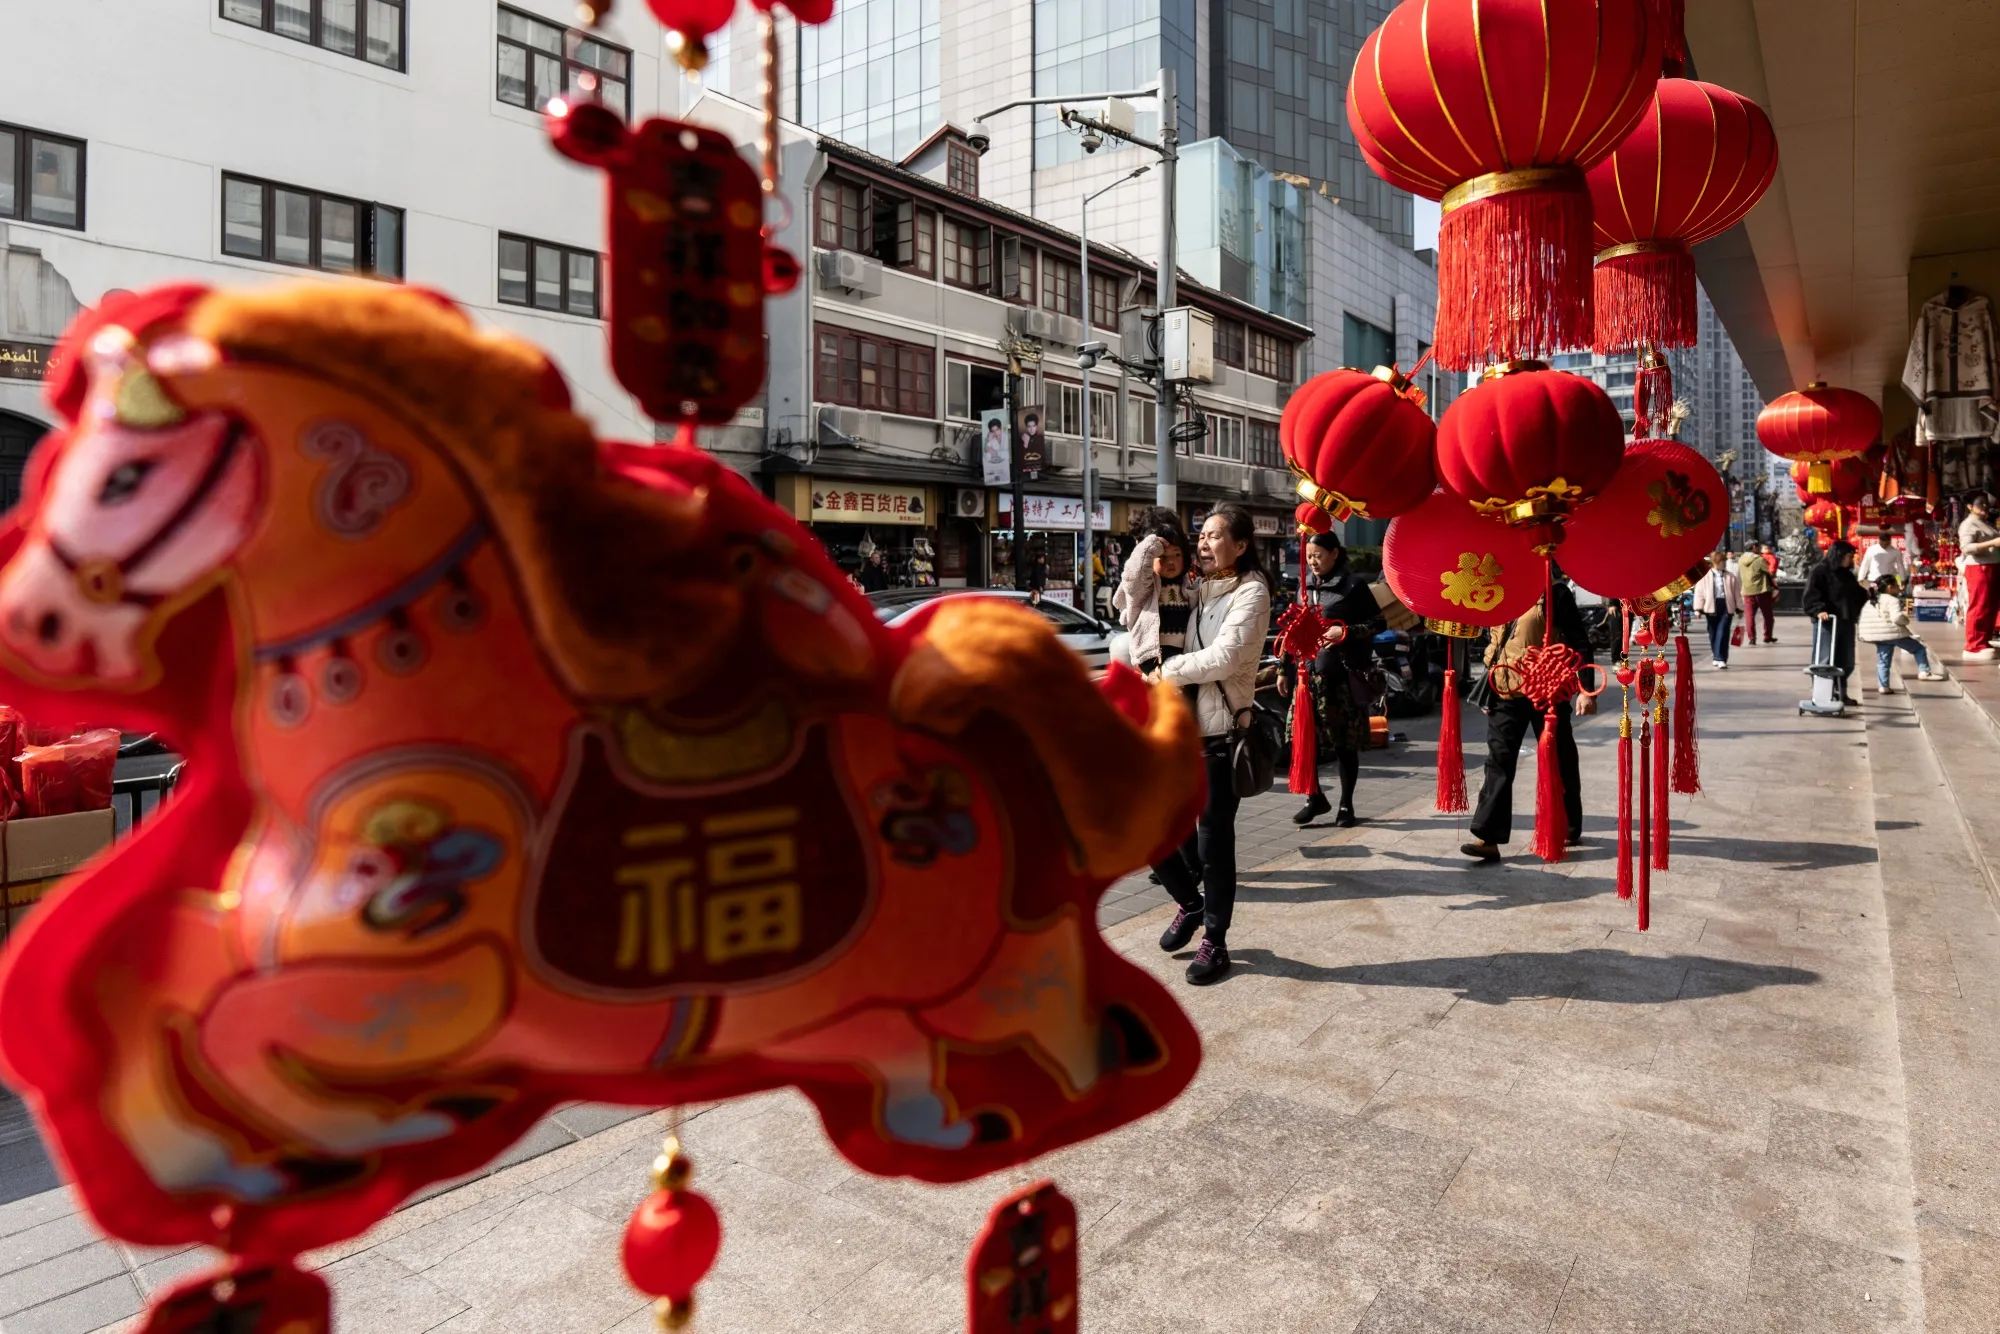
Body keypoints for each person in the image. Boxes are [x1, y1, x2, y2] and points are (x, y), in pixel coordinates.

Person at [1150, 503, 1273, 985]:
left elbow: (1224, 658)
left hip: (1220, 738)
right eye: (1201, 535)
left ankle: (1215, 940)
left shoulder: (1252, 592)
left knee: (1213, 846)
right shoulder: (1196, 588)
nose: (1203, 543)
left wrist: (1167, 671)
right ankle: (1190, 903)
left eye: (1214, 536)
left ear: (1240, 545)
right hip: (1177, 734)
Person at [1461, 569, 1593, 863]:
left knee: (1560, 758)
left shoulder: (1555, 592)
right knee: (1498, 762)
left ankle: (1569, 824)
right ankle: (1488, 837)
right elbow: (1496, 643)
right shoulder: (1496, 590)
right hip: (1505, 692)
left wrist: (1586, 689)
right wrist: (1490, 687)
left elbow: (1580, 643)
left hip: (1547, 691)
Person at [1280, 531, 1384, 828]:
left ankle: (1346, 805)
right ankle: (1315, 798)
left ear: (1335, 554)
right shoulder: (1305, 585)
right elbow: (1294, 630)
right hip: (1307, 677)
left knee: (1343, 745)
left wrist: (1346, 632)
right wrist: (1282, 668)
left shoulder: (1353, 586)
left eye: (1318, 556)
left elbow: (1378, 623)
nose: (1313, 561)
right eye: (1309, 556)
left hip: (1339, 679)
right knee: (1300, 740)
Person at [1803, 540, 1867, 703]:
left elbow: (1856, 594)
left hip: (1846, 621)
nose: (1850, 560)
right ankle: (1822, 694)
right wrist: (1818, 610)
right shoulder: (1820, 571)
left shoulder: (1846, 574)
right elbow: (1811, 594)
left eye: (1852, 557)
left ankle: (1841, 692)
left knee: (1847, 660)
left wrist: (1870, 594)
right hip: (1827, 622)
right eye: (1848, 556)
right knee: (1824, 660)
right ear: (1838, 555)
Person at [1857, 575, 1946, 692]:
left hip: (1878, 636)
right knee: (1918, 648)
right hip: (1892, 633)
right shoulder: (1893, 600)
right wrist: (1906, 620)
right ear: (1890, 587)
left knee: (1883, 660)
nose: (1899, 587)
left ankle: (1883, 686)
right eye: (1896, 585)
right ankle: (1924, 671)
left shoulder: (1872, 600)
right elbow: (1896, 617)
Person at [1957, 492, 2000, 661]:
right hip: (1979, 568)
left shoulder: (1983, 522)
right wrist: (1992, 543)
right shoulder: (1968, 524)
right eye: (1980, 503)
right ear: (1969, 506)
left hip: (1992, 567)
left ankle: (1984, 640)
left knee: (1990, 606)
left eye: (1985, 503)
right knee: (1979, 606)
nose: (1984, 506)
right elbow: (1966, 547)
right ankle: (1974, 645)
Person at [1693, 550, 1743, 668]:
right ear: (1716, 562)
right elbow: (1699, 593)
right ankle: (1718, 655)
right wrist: (1698, 608)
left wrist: (1739, 608)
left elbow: (1737, 593)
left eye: (1724, 561)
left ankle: (1720, 658)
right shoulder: (1705, 576)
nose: (1724, 564)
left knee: (1723, 631)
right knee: (1713, 632)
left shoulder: (1730, 577)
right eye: (1722, 562)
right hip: (1711, 606)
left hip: (1726, 606)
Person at [1738, 544, 1777, 645]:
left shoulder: (1741, 559)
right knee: (1767, 615)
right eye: (1756, 547)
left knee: (1749, 616)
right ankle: (1767, 636)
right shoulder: (1759, 559)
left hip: (1747, 590)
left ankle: (1752, 638)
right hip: (1762, 590)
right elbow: (1769, 572)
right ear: (1753, 547)